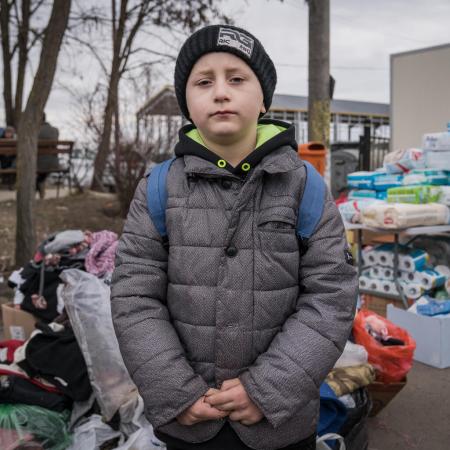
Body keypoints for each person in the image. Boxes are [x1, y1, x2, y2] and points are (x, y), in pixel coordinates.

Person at [111, 25, 358, 450]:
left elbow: (330, 296)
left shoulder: (306, 187)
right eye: (204, 81)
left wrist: (269, 388)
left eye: (237, 79)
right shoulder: (158, 188)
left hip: (281, 423)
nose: (221, 92)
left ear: (263, 99)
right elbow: (134, 298)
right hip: (189, 421)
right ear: (187, 102)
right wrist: (175, 392)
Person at [36, 113, 59, 198]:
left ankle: (37, 186)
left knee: (38, 168)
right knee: (41, 172)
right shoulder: (55, 130)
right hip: (53, 162)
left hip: (37, 163)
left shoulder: (34, 130)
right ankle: (40, 185)